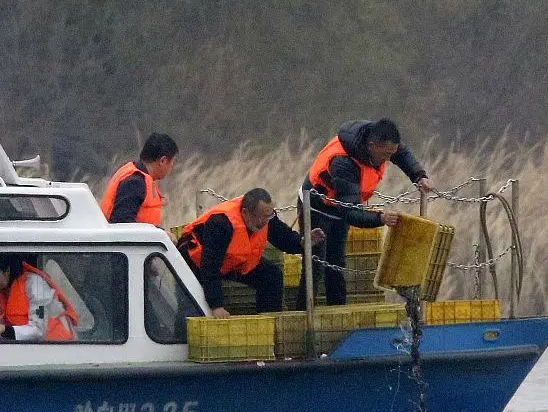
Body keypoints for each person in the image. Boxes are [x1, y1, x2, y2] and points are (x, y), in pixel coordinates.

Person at [301, 118, 435, 306]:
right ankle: (303, 312)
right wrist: (380, 218)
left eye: (391, 153)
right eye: (385, 155)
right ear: (371, 146)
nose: (388, 159)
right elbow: (350, 212)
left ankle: (338, 310)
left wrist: (419, 176)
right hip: (316, 206)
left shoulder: (382, 141)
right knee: (315, 264)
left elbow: (402, 153)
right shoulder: (344, 162)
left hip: (343, 203)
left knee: (337, 262)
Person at [177, 187, 324, 318]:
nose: (265, 222)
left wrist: (303, 242)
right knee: (189, 305)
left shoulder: (266, 218)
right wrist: (217, 306)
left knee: (271, 275)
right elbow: (209, 267)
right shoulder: (221, 224)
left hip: (232, 262)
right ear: (246, 213)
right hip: (195, 261)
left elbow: (283, 237)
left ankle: (269, 324)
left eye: (269, 216)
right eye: (261, 217)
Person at [0, 253, 79, 341]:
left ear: (7, 270)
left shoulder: (35, 285)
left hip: (56, 345)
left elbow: (39, 329)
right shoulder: (5, 292)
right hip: (30, 346)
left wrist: (6, 330)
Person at [99, 132, 178, 226]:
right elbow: (122, 224)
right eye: (173, 161)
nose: (172, 166)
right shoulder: (135, 182)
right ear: (162, 161)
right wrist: (159, 233)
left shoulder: (140, 178)